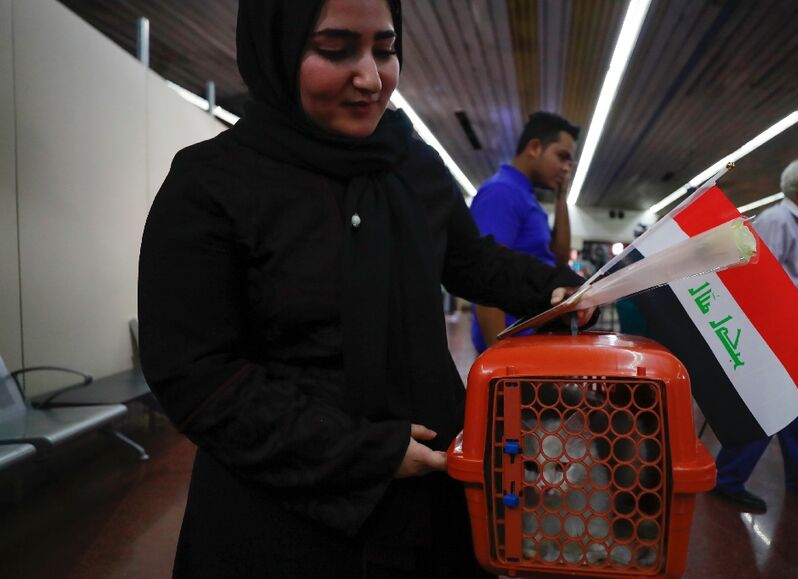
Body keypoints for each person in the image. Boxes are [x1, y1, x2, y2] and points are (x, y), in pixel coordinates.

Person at [137, 1, 590, 577]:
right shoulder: (213, 184)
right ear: (276, 49)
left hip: (428, 500)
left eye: (385, 48)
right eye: (335, 49)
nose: (372, 78)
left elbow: (472, 262)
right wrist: (360, 453)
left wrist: (560, 287)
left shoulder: (413, 167)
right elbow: (196, 376)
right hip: (285, 514)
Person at [714, 155, 798, 512]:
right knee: (772, 406)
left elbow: (793, 287)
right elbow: (762, 283)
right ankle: (727, 479)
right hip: (772, 332)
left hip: (792, 329)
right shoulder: (778, 221)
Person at [469, 111, 580, 352]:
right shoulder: (501, 192)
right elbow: (487, 278)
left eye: (570, 163)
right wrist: (500, 366)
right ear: (534, 147)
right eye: (562, 157)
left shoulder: (526, 197)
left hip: (533, 341)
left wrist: (562, 196)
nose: (566, 168)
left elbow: (559, 258)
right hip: (514, 351)